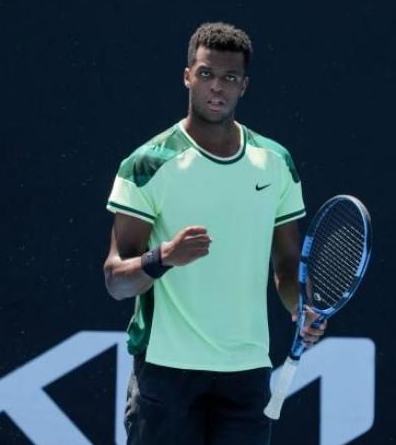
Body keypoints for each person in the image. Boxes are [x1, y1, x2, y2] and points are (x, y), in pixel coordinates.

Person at [103, 22, 326, 445]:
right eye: (205, 74)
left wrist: (303, 307)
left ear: (245, 85)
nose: (216, 87)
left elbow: (286, 266)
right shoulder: (147, 164)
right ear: (187, 75)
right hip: (166, 372)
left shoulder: (275, 162)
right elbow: (116, 281)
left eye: (229, 77)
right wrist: (164, 256)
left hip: (246, 373)